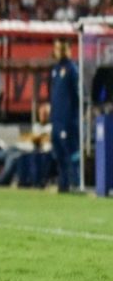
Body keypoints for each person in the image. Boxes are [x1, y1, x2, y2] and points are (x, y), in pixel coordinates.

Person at [49, 39, 80, 192]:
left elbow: (77, 96)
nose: (58, 52)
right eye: (57, 48)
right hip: (56, 119)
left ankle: (75, 182)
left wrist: (73, 118)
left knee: (70, 151)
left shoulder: (72, 69)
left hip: (68, 120)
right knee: (58, 153)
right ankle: (63, 184)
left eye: (62, 49)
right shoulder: (55, 69)